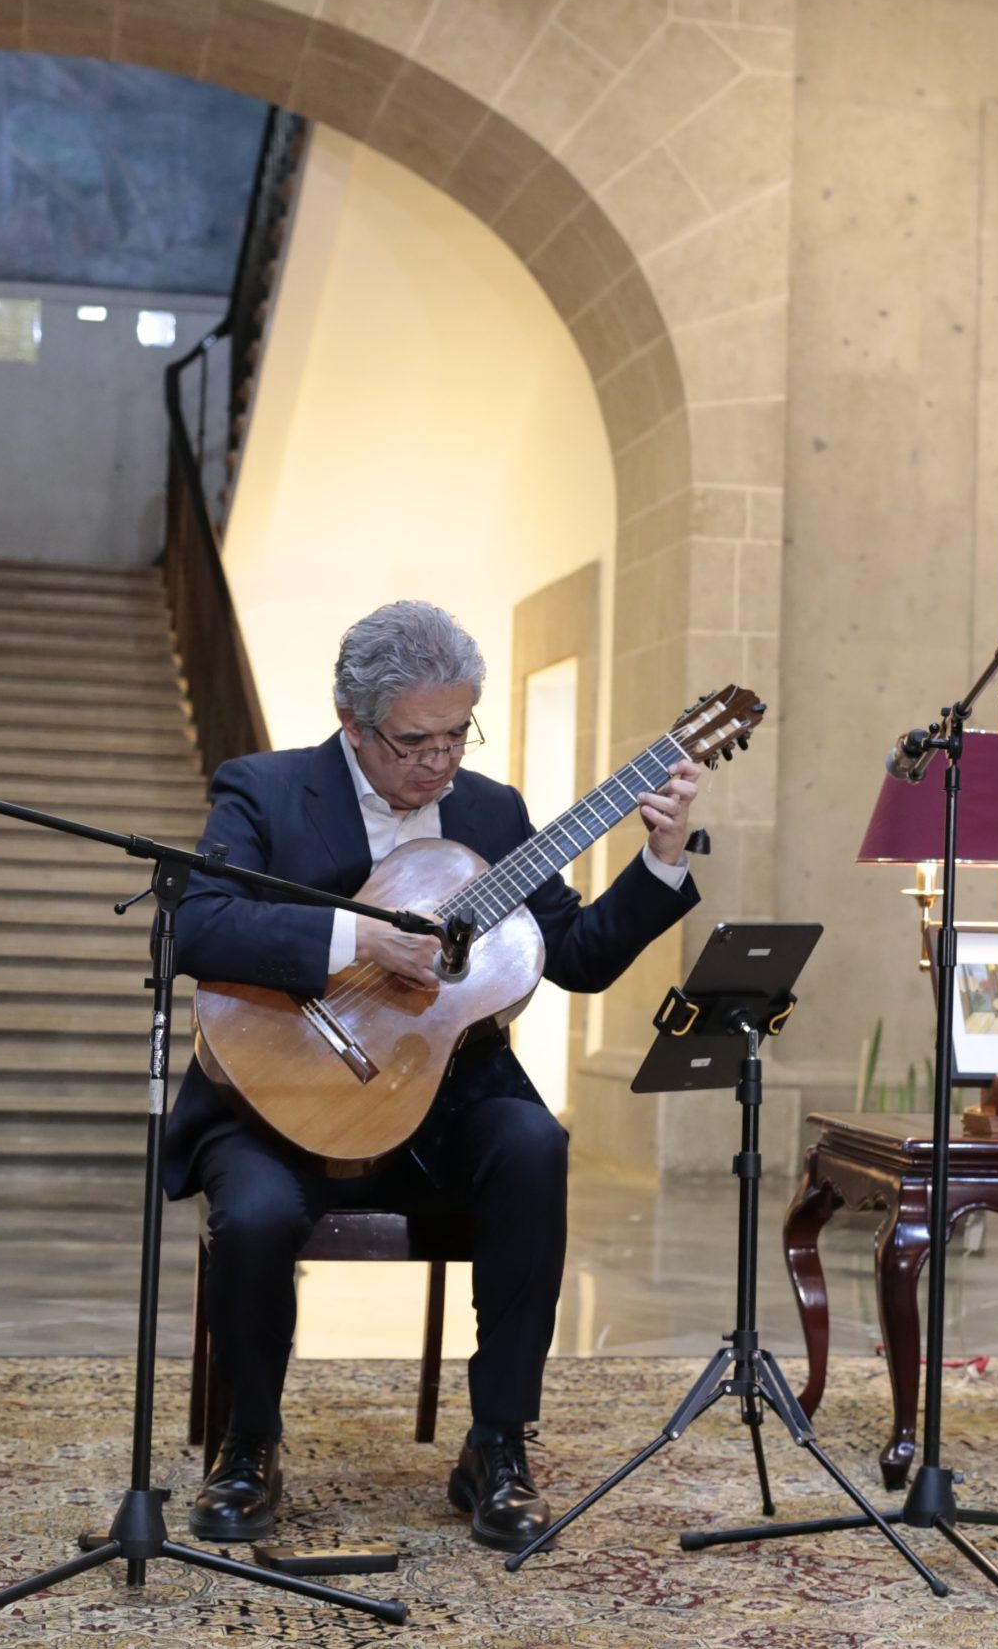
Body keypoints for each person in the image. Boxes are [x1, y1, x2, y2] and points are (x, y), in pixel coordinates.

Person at [160, 601, 701, 1551]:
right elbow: (197, 929)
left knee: (534, 1145)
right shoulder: (263, 791)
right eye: (415, 741)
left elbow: (570, 953)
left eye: (458, 734)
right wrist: (352, 938)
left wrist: (657, 864)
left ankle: (496, 1444)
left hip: (445, 1093)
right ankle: (247, 1447)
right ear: (352, 721)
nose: (440, 762)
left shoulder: (493, 813)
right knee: (251, 1215)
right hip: (276, 1091)